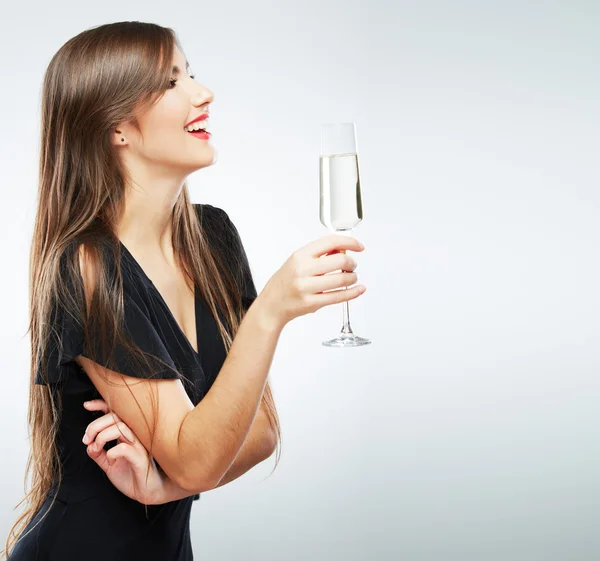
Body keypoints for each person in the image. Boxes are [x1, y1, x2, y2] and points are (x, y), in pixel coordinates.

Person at [2, 20, 366, 561]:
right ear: (117, 126)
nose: (203, 93)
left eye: (190, 74)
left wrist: (163, 487)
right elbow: (200, 459)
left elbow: (260, 432)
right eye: (172, 82)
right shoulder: (89, 268)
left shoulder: (212, 237)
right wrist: (269, 312)